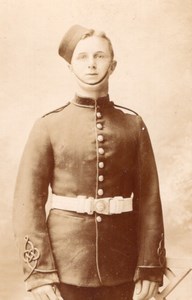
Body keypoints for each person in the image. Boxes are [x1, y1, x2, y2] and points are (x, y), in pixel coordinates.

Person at [13, 24, 166, 300]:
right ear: (70, 67)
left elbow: (149, 200)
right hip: (64, 267)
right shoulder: (48, 126)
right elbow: (28, 203)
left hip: (123, 266)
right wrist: (39, 273)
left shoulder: (134, 125)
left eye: (100, 56)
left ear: (113, 65)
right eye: (82, 57)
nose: (92, 65)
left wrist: (149, 267)